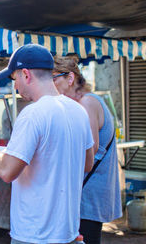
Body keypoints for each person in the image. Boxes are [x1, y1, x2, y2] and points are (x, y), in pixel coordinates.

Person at [0, 44, 95, 244]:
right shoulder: (78, 111)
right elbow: (87, 164)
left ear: (26, 74)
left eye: (15, 79)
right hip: (69, 233)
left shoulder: (33, 113)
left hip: (35, 235)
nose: (15, 86)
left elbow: (7, 171)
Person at [53, 56, 122, 244]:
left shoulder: (87, 103)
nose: (50, 85)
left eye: (54, 78)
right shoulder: (82, 103)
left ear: (70, 78)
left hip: (89, 192)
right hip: (88, 190)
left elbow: (88, 153)